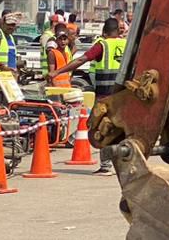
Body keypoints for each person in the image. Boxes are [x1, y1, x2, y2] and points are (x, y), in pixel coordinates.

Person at [53, 16, 127, 174]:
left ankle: (106, 165)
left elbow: (82, 60)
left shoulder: (103, 44)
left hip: (105, 97)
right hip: (123, 96)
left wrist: (58, 72)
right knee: (120, 129)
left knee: (100, 128)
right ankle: (122, 164)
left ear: (104, 32)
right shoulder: (126, 44)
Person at [46, 23, 73, 88]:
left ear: (68, 40)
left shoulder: (66, 54)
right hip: (56, 89)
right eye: (60, 39)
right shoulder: (52, 53)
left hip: (66, 88)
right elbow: (51, 74)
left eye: (64, 39)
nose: (62, 41)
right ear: (56, 41)